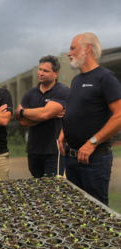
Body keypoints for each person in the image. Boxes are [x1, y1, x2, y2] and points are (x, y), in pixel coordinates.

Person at [58, 32, 121, 206]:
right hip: (71, 158)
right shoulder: (76, 80)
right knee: (77, 210)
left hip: (94, 159)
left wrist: (92, 142)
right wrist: (64, 131)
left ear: (87, 48)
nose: (69, 53)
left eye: (72, 48)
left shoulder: (106, 78)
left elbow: (119, 115)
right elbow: (77, 111)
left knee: (97, 212)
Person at [15, 55, 70, 178]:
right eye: (40, 69)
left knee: (53, 189)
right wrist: (49, 115)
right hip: (34, 150)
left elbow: (44, 114)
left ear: (56, 73)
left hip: (54, 151)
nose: (40, 73)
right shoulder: (30, 94)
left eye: (45, 70)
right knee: (38, 190)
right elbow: (22, 122)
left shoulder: (62, 91)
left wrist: (23, 111)